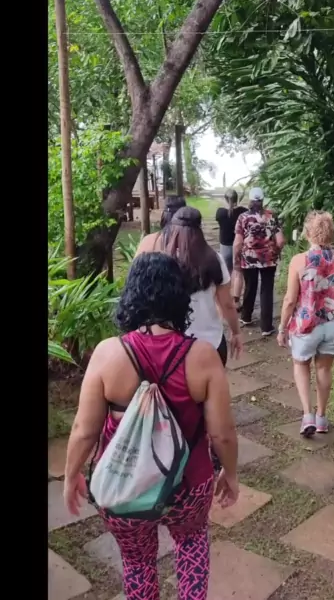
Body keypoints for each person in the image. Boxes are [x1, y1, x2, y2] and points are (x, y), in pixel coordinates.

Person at [63, 252, 239, 600]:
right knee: (191, 544)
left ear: (132, 294)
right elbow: (221, 434)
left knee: (137, 562)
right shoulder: (203, 356)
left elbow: (84, 430)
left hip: (125, 486)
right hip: (189, 484)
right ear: (180, 298)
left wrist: (71, 475)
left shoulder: (108, 354)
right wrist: (230, 474)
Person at [277, 210, 334, 436]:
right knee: (324, 368)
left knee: (301, 364)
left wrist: (282, 328)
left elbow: (290, 300)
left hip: (306, 323)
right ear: (332, 233)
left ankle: (307, 416)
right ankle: (322, 417)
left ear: (307, 233)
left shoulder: (298, 261)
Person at [137, 206, 242, 365]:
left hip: (172, 348)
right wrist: (236, 332)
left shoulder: (161, 263)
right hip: (210, 342)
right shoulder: (214, 259)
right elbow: (227, 304)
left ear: (173, 230)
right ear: (200, 229)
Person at [233, 187, 286, 337]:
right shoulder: (271, 216)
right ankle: (266, 327)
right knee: (266, 290)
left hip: (248, 258)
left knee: (250, 286)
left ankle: (246, 317)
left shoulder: (243, 217)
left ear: (250, 200)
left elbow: (238, 242)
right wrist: (276, 251)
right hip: (268, 259)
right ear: (263, 200)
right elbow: (281, 240)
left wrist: (236, 257)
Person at [215, 189, 247, 273]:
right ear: (237, 199)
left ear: (225, 199)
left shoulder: (220, 212)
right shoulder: (244, 211)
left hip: (225, 246)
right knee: (240, 272)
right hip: (240, 245)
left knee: (227, 272)